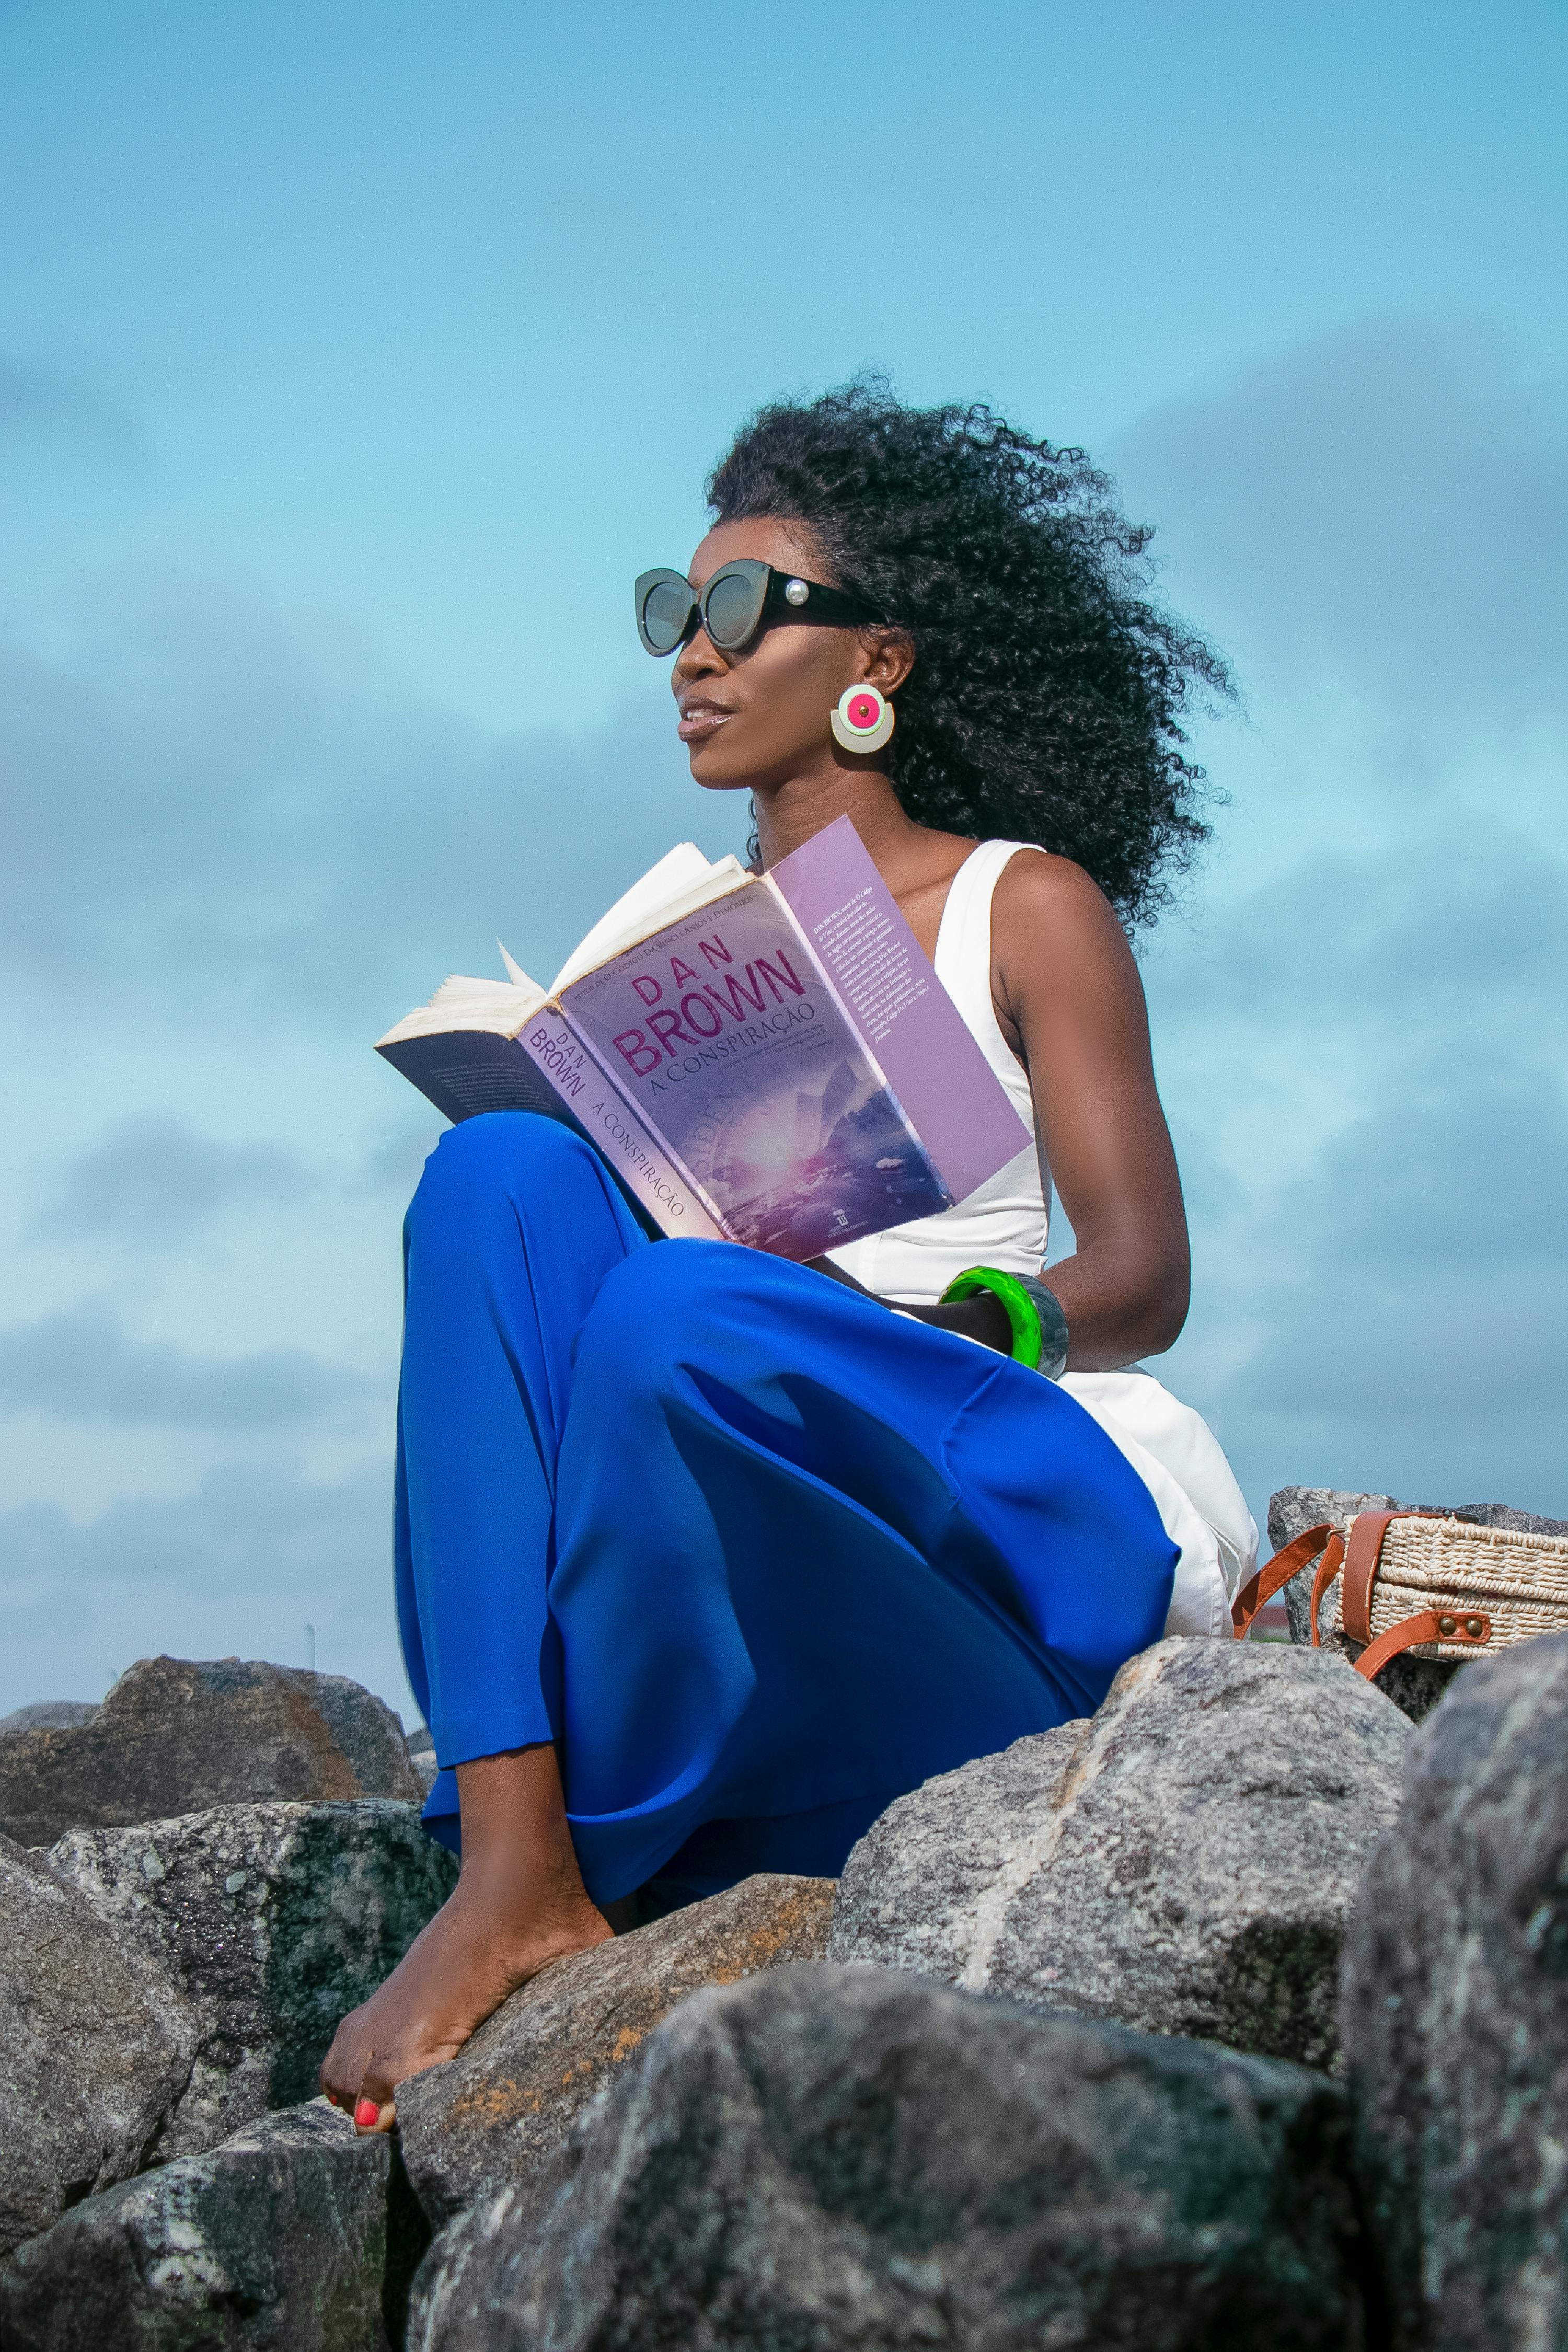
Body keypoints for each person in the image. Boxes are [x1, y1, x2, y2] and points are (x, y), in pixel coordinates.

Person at [321, 382, 1256, 2132]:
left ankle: (604, 1814)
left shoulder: (1014, 903)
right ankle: (515, 1861)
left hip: (941, 1508)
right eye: (672, 614)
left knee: (689, 1307)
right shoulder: (684, 945)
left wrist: (947, 1306)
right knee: (496, 1174)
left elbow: (1140, 1271)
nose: (692, 653)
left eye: (741, 611)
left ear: (875, 661)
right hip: (692, 1514)